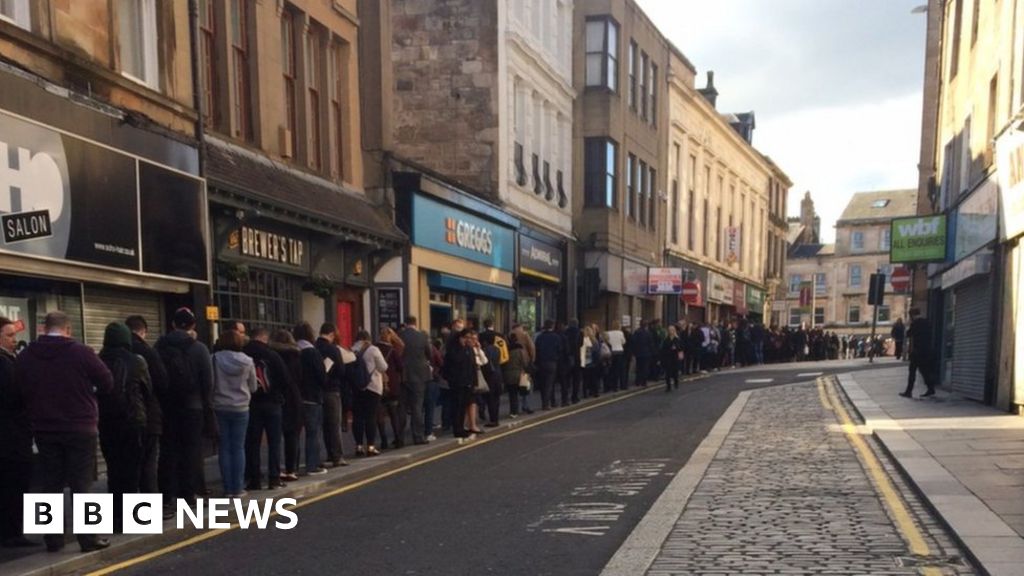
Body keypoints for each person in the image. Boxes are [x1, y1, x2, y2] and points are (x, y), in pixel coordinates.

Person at [16, 311, 113, 553]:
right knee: (82, 484)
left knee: (49, 484)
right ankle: (88, 538)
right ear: (68, 329)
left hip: (44, 427)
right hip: (80, 426)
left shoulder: (27, 355)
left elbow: (19, 389)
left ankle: (52, 539)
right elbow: (107, 382)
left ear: (43, 328)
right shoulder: (81, 352)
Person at [156, 307, 213, 507]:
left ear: (172, 324)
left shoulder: (159, 347)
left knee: (167, 450)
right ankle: (189, 494)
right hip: (192, 406)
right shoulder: (199, 349)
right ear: (193, 325)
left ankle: (167, 495)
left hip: (166, 407)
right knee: (191, 450)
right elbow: (208, 381)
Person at [98, 322, 150, 532]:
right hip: (133, 421)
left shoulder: (98, 360)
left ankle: (115, 519)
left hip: (106, 422)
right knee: (132, 471)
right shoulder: (137, 361)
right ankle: (134, 519)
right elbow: (148, 390)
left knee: (113, 470)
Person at [0, 317, 36, 548]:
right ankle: (12, 533)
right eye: (9, 335)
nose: (15, 340)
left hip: (10, 435)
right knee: (15, 485)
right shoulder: (4, 364)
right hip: (11, 436)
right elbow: (15, 397)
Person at [125, 315, 168, 494]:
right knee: (148, 465)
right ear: (143, 331)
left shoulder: (107, 354)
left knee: (125, 467)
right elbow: (162, 383)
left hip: (118, 419)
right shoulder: (148, 352)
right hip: (147, 416)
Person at [211, 329, 257, 497]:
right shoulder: (247, 361)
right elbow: (253, 386)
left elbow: (211, 383)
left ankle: (227, 487)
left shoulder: (214, 359)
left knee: (224, 447)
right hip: (241, 407)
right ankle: (237, 488)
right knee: (238, 447)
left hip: (220, 405)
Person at [244, 327, 289, 490]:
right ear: (264, 338)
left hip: (252, 403)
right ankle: (274, 478)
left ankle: (254, 479)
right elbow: (284, 379)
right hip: (272, 402)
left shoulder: (244, 353)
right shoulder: (272, 355)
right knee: (274, 441)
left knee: (252, 442)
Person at [269, 330, 304, 482]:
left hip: (276, 397)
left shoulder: (271, 357)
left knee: (275, 437)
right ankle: (292, 469)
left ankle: (276, 470)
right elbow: (302, 378)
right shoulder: (296, 356)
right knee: (292, 435)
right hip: (294, 397)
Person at [293, 322, 327, 475]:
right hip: (312, 397)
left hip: (296, 397)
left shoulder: (293, 351)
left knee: (294, 433)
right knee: (313, 432)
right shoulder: (312, 352)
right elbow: (321, 375)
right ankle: (312, 465)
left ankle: (292, 466)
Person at [315, 323, 346, 467]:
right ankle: (336, 456)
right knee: (334, 424)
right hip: (332, 390)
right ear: (332, 334)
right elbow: (341, 371)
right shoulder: (332, 349)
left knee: (322, 425)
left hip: (317, 391)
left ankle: (326, 455)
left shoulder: (313, 347)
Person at [352, 330, 387, 456]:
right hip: (373, 387)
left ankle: (358, 446)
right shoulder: (373, 350)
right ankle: (371, 447)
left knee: (358, 417)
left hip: (357, 388)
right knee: (370, 417)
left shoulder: (352, 349)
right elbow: (383, 367)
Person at [399, 316, 432, 444]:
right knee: (417, 407)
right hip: (420, 375)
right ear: (415, 323)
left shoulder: (399, 335)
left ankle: (399, 438)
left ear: (405, 324)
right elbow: (429, 353)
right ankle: (417, 436)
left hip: (403, 375)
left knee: (401, 407)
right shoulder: (422, 337)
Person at [444, 328, 477, 442]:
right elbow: (454, 362)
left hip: (467, 382)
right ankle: (457, 429)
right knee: (457, 406)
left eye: (469, 338)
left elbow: (473, 366)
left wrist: (474, 382)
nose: (467, 340)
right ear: (460, 338)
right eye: (465, 337)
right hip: (457, 382)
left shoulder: (469, 349)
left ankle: (461, 427)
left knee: (463, 406)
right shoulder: (454, 350)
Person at [376, 328, 406, 449]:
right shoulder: (392, 351)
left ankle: (383, 441)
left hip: (377, 385)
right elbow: (400, 366)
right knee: (394, 413)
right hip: (391, 385)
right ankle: (398, 439)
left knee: (380, 414)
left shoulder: (374, 348)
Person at [901, 309, 937, 398]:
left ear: (912, 315)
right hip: (927, 350)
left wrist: (908, 326)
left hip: (917, 351)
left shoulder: (915, 324)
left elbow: (908, 334)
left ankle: (909, 391)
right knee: (925, 371)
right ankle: (931, 388)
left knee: (912, 371)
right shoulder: (927, 322)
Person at [534, 320, 564, 410]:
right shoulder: (556, 337)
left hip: (541, 362)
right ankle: (546, 404)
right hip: (552, 362)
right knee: (549, 383)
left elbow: (536, 350)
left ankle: (545, 401)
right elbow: (560, 350)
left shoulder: (539, 337)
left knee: (543, 384)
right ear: (552, 326)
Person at [479, 331, 503, 427]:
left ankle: (492, 420)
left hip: (490, 376)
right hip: (498, 375)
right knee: (496, 399)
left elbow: (486, 364)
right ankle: (495, 418)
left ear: (485, 341)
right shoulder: (497, 349)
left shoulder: (485, 350)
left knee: (490, 399)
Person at [563, 319, 583, 405]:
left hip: (567, 357)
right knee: (576, 379)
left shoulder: (565, 332)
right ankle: (574, 397)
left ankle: (565, 398)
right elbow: (581, 344)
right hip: (576, 357)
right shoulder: (579, 332)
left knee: (566, 379)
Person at [604, 323, 627, 391]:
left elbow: (607, 341)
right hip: (619, 352)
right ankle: (618, 386)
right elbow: (623, 342)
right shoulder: (620, 333)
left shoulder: (608, 333)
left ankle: (611, 386)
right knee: (619, 370)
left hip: (611, 352)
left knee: (611, 370)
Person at [631, 322, 654, 386]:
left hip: (638, 353)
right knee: (645, 367)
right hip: (646, 353)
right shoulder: (648, 333)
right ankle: (644, 381)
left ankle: (638, 381)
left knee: (638, 367)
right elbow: (651, 343)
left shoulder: (636, 332)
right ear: (646, 325)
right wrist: (652, 352)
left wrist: (634, 351)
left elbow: (633, 342)